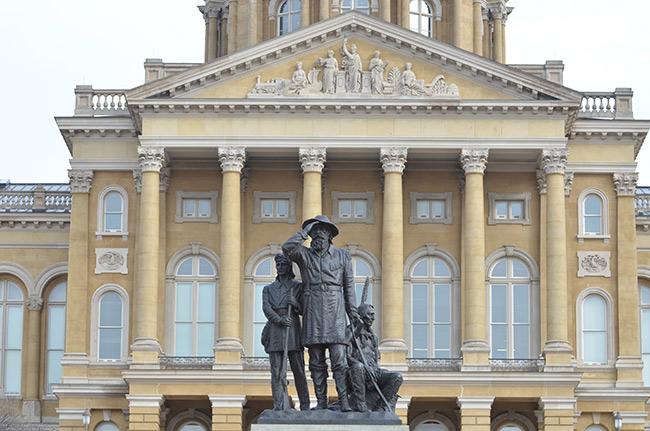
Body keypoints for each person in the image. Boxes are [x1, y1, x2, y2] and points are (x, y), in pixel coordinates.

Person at [282, 215, 361, 411]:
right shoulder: (303, 254)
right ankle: (322, 402)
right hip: (312, 307)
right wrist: (304, 231)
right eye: (314, 233)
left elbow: (348, 285)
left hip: (335, 306)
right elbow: (287, 248)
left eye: (321, 233)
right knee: (316, 361)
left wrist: (352, 310)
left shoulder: (342, 255)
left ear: (329, 237)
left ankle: (343, 401)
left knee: (339, 359)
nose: (317, 237)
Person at [261, 254, 310, 411]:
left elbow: (305, 309)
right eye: (278, 265)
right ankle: (279, 405)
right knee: (276, 371)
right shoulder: (268, 289)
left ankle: (305, 404)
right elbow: (266, 308)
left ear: (289, 267)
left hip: (293, 328)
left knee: (298, 369)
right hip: (276, 329)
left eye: (283, 264)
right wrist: (279, 320)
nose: (280, 268)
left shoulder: (298, 287)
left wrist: (295, 304)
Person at [345, 284, 402, 412]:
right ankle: (361, 404)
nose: (373, 318)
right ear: (362, 315)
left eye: (373, 315)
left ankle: (379, 407)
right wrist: (365, 367)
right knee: (358, 368)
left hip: (373, 370)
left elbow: (375, 358)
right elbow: (347, 357)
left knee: (397, 377)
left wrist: (374, 369)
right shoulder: (350, 333)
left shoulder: (373, 337)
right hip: (357, 371)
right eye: (370, 315)